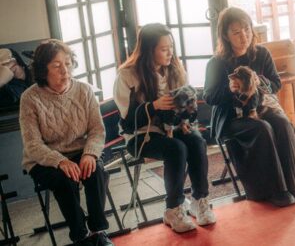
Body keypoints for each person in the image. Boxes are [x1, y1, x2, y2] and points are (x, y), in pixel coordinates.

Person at [113, 24, 216, 233]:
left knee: (196, 141)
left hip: (174, 127)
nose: (170, 53)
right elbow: (127, 121)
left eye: (171, 47)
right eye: (163, 49)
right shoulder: (127, 75)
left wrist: (187, 112)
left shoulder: (175, 69)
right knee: (176, 148)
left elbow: (185, 105)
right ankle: (173, 208)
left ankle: (199, 200)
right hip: (140, 135)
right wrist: (154, 106)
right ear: (148, 49)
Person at [204, 7, 295, 206]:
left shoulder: (261, 53)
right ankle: (272, 190)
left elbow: (276, 83)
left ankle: (292, 184)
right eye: (236, 32)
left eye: (246, 29)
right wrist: (230, 89)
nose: (244, 36)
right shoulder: (216, 63)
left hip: (261, 108)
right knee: (262, 128)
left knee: (282, 123)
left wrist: (258, 82)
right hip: (231, 117)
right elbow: (208, 97)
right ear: (225, 36)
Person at [19, 40, 113, 245]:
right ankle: (81, 236)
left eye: (68, 63)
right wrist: (60, 161)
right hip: (44, 159)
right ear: (43, 70)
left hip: (80, 150)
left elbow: (97, 130)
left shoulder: (84, 91)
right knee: (65, 180)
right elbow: (32, 144)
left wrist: (89, 153)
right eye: (57, 65)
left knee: (95, 170)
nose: (65, 70)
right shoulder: (29, 98)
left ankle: (98, 231)